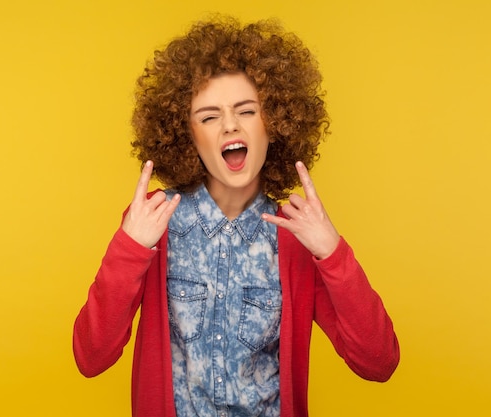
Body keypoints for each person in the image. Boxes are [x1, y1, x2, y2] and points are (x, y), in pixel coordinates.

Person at [73, 15, 399, 417]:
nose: (229, 125)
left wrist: (332, 252)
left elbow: (378, 362)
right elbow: (91, 358)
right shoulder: (151, 222)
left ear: (274, 123)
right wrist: (130, 247)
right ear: (187, 133)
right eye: (209, 117)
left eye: (246, 111)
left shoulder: (298, 237)